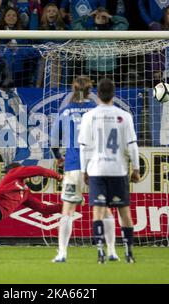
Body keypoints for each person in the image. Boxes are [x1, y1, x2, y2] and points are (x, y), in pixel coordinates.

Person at [50, 76, 120, 263]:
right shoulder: (97, 111)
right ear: (91, 90)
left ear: (73, 89)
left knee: (68, 210)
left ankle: (62, 253)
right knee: (105, 210)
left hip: (73, 165)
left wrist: (58, 157)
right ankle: (112, 251)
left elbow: (53, 141)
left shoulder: (65, 112)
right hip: (98, 166)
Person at [78, 78, 140, 264]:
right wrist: (136, 168)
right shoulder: (124, 116)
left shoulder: (89, 116)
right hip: (118, 169)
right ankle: (129, 253)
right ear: (113, 94)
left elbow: (84, 147)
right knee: (124, 212)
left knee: (98, 211)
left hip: (96, 168)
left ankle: (100, 251)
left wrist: (84, 171)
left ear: (98, 94)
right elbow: (132, 145)